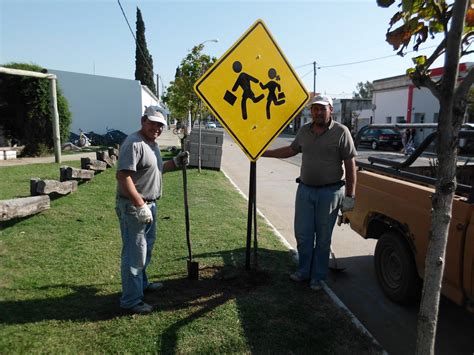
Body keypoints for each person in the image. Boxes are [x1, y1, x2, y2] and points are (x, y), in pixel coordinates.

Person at [261, 94, 357, 291]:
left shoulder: (341, 131)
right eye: (315, 109)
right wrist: (264, 152)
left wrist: (350, 196)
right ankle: (304, 271)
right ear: (311, 111)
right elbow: (291, 150)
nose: (318, 112)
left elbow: (350, 164)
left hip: (330, 193)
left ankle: (318, 277)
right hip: (305, 190)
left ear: (331, 109)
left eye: (323, 108)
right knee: (303, 235)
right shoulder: (304, 131)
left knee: (322, 238)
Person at [115, 106, 188, 314]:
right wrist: (139, 205)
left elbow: (157, 169)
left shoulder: (151, 144)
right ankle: (131, 300)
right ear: (143, 120)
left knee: (146, 248)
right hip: (134, 207)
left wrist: (175, 162)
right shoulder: (134, 143)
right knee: (134, 254)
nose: (157, 128)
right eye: (153, 123)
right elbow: (123, 177)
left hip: (149, 205)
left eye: (160, 125)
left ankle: (142, 284)